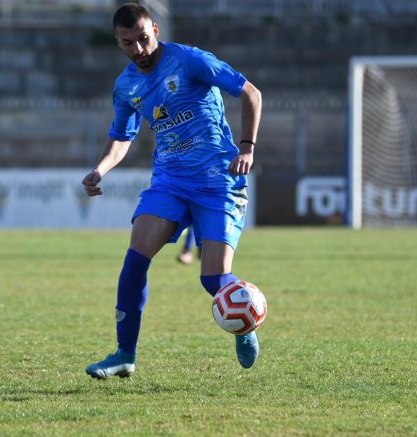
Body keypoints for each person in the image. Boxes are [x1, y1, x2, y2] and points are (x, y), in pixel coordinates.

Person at [81, 3, 262, 379]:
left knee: (213, 280)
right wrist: (100, 169)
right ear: (118, 41)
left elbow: (250, 93)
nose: (138, 49)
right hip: (170, 181)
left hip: (218, 181)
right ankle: (124, 355)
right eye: (128, 43)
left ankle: (246, 319)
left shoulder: (190, 61)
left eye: (143, 39)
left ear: (155, 31)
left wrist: (246, 148)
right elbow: (121, 136)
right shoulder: (126, 86)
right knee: (136, 257)